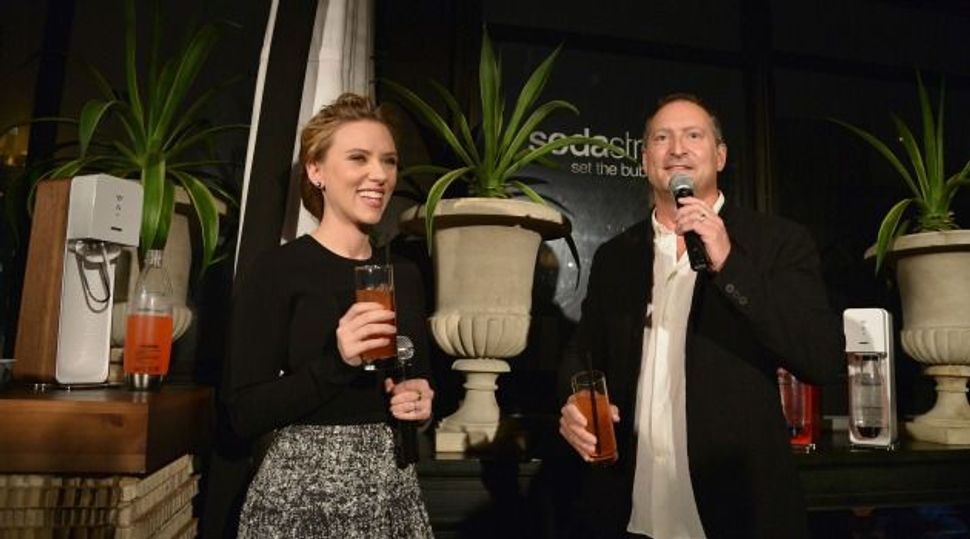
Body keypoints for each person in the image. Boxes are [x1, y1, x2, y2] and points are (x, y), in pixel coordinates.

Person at [558, 93, 843, 538]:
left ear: (720, 155)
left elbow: (820, 358)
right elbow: (583, 352)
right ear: (645, 160)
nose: (677, 149)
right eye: (661, 138)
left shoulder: (777, 242)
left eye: (693, 135)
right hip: (630, 507)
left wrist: (729, 263)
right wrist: (574, 403)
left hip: (736, 510)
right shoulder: (617, 255)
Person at [223, 93, 435, 538]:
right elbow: (242, 414)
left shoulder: (405, 274)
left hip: (393, 495)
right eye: (359, 158)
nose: (380, 174)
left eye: (389, 161)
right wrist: (337, 363)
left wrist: (419, 404)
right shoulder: (277, 270)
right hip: (300, 501)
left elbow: (416, 387)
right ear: (316, 171)